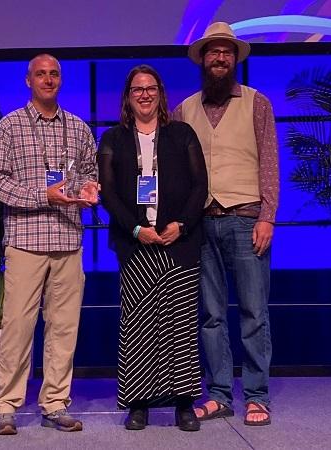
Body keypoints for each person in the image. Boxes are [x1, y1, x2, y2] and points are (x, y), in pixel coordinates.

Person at [173, 22, 279, 426]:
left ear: (234, 59)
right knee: (211, 315)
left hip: (246, 219)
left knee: (254, 312)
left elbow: (269, 162)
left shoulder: (257, 103)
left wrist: (267, 216)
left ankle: (257, 395)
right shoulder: (184, 109)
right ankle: (218, 393)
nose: (220, 58)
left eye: (226, 52)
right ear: (202, 59)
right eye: (213, 52)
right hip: (203, 224)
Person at [0, 54, 98, 435]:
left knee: (64, 327)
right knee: (17, 326)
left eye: (54, 74)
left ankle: (54, 403)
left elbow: (90, 177)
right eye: (40, 74)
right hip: (25, 241)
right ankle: (5, 405)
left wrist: (88, 191)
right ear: (28, 80)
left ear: (60, 81)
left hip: (68, 239)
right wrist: (43, 195)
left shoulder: (79, 129)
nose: (48, 80)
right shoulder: (10, 127)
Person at [98, 65, 208, 432]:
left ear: (160, 93)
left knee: (180, 325)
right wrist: (135, 228)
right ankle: (139, 403)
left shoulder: (182, 134)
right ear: (128, 97)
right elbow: (108, 193)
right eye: (136, 89)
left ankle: (183, 404)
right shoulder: (114, 138)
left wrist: (182, 225)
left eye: (150, 88)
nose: (144, 94)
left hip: (180, 243)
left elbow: (199, 186)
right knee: (139, 326)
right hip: (136, 245)